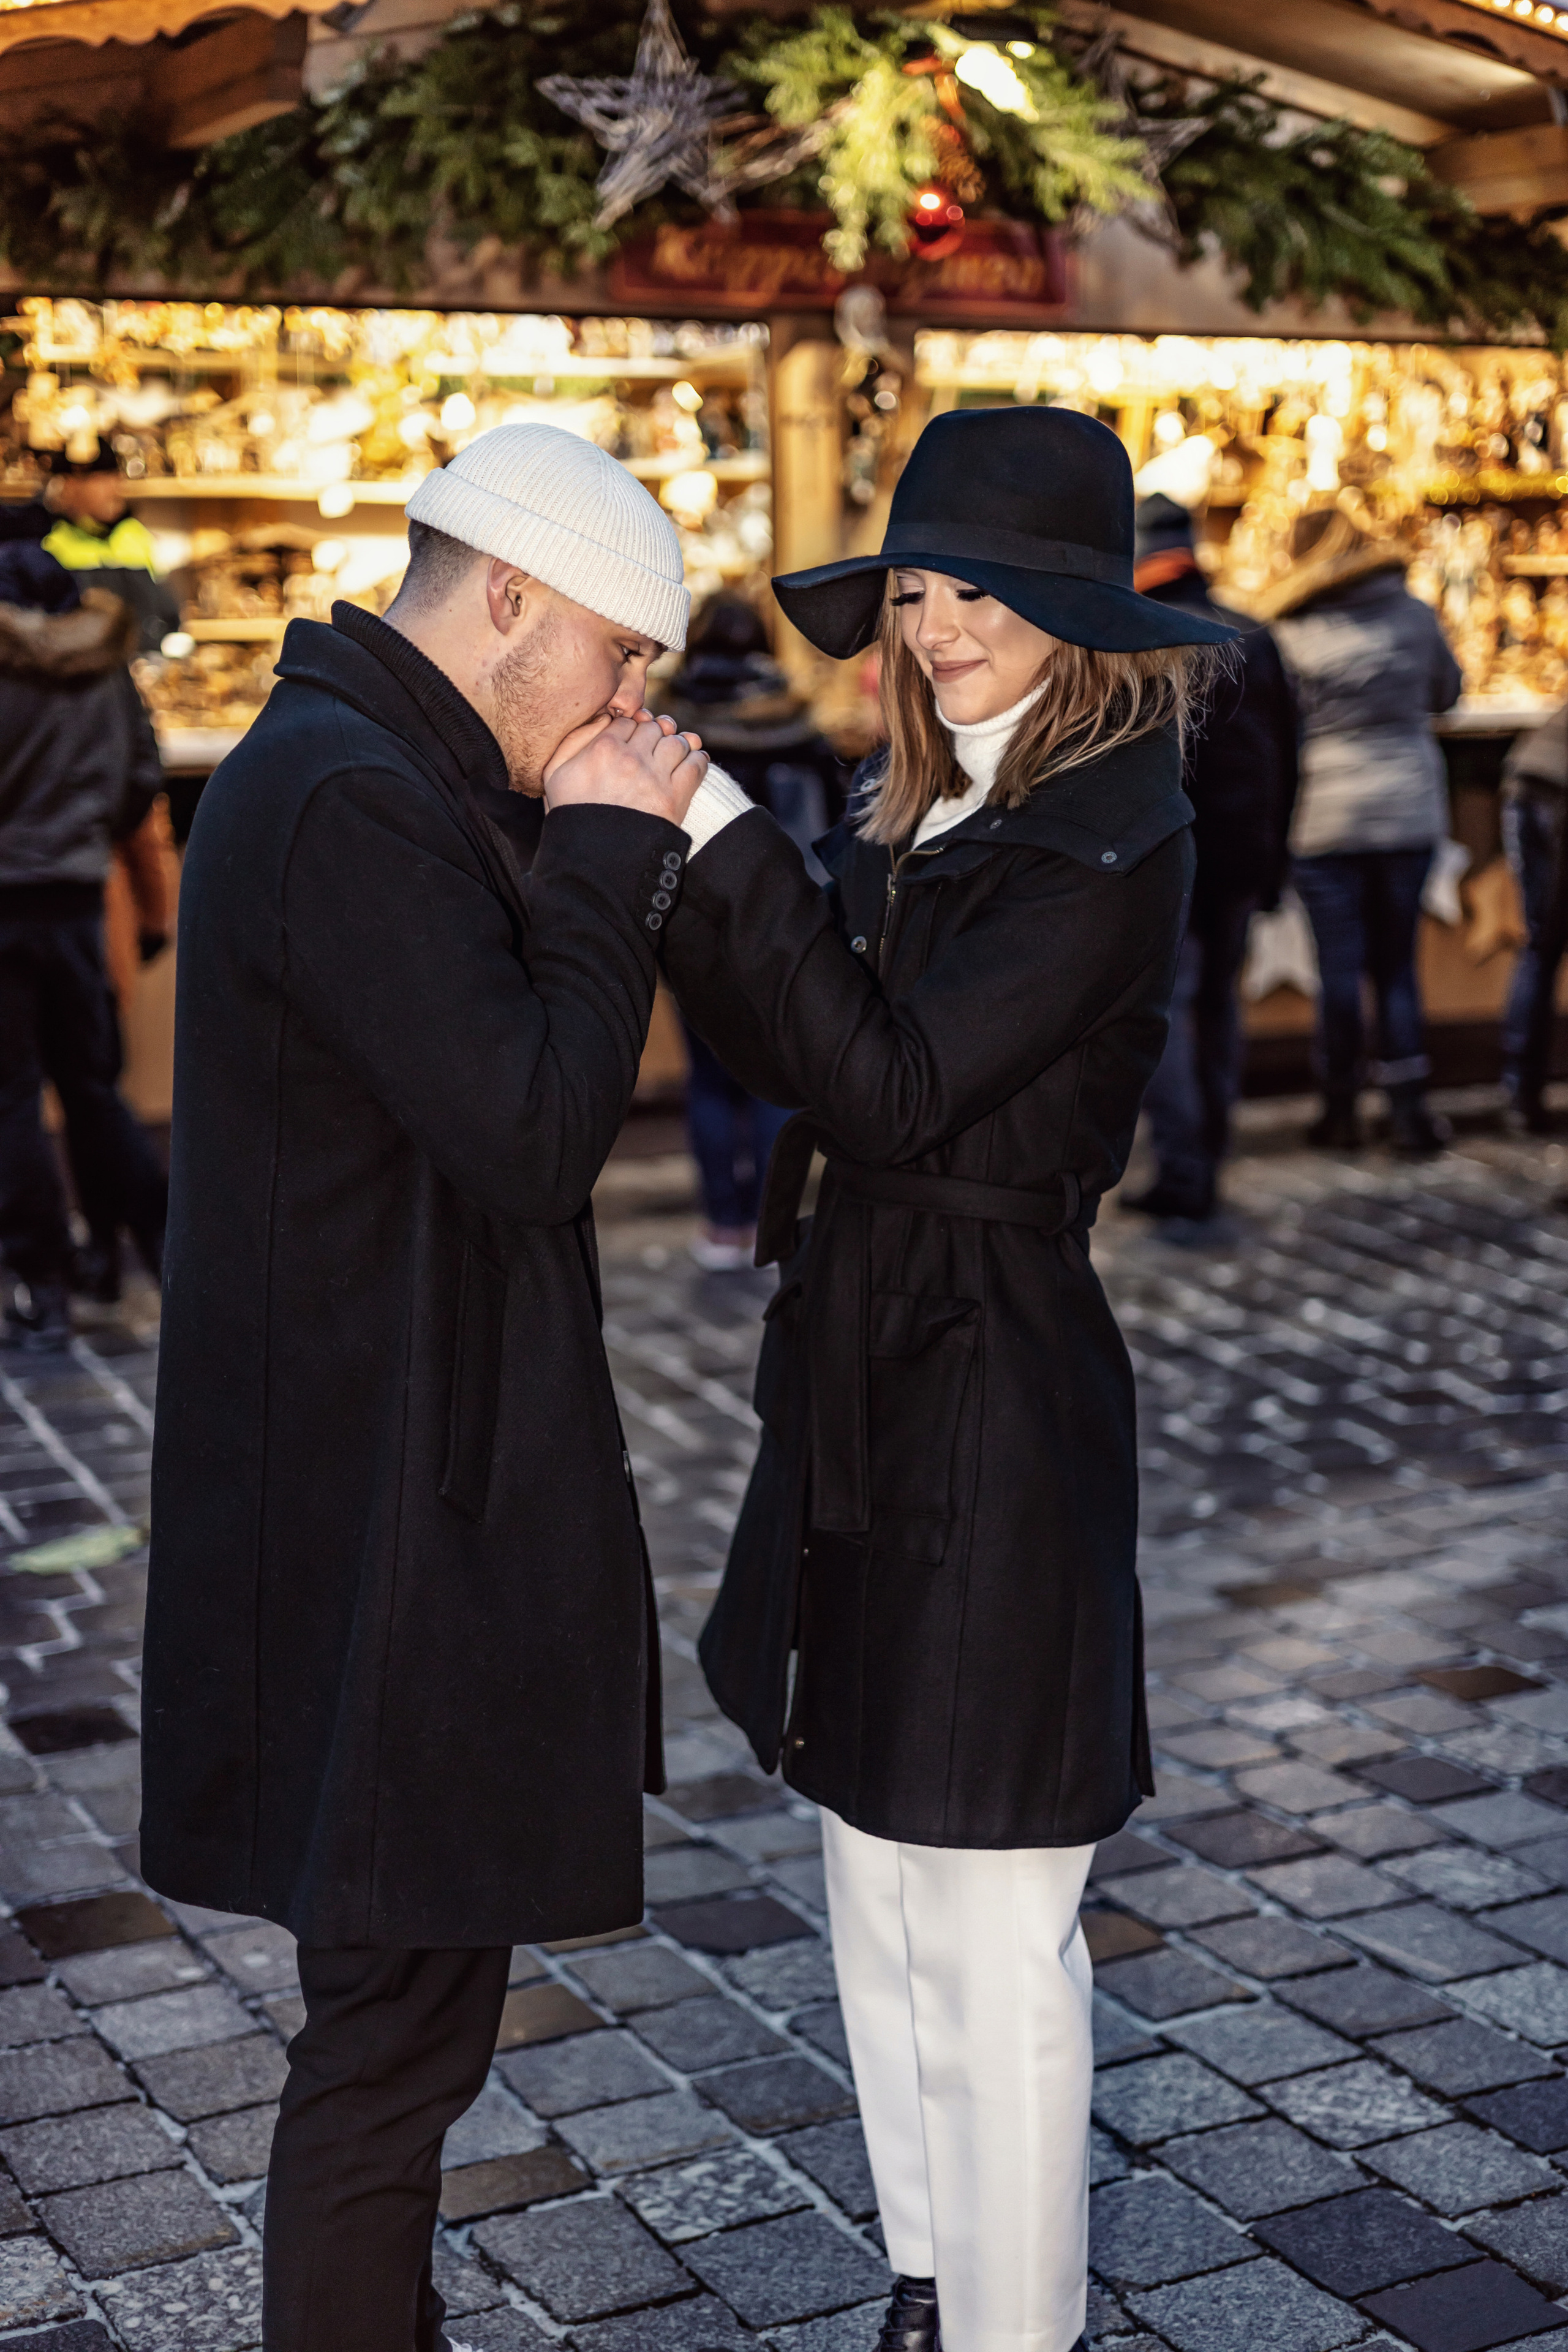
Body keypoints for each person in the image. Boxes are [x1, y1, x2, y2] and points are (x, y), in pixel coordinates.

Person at [662, 405, 1235, 2352]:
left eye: (981, 589)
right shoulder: (920, 811)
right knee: (875, 1873)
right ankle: (929, 2278)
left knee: (993, 1913)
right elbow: (801, 1048)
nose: (938, 624)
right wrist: (729, 887)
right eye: (914, 587)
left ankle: (1017, 2325)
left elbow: (890, 1082)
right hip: (864, 1365)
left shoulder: (1114, 828)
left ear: (1079, 612)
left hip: (993, 1383)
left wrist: (721, 845)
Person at [138, 424, 709, 2352]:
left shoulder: (356, 766)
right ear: (515, 598)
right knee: (388, 2049)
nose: (636, 701)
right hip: (374, 1524)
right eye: (625, 658)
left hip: (377, 1489)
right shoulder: (349, 793)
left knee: (399, 2031)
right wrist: (613, 846)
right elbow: (536, 1130)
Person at [0, 540, 168, 1351]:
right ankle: (147, 1248)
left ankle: (44, 1283)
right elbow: (142, 776)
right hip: (76, 899)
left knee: (11, 1101)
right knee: (95, 1089)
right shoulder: (107, 661)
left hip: (5, 904)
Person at [1255, 500, 1461, 1156]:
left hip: (1324, 816)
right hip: (1407, 808)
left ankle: (1338, 1110)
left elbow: (1277, 723)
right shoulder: (1412, 613)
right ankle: (1408, 1114)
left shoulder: (1287, 629)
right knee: (1397, 966)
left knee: (1337, 972)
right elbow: (1448, 694)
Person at [1122, 493, 1299, 1222]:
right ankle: (1208, 1152)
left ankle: (1185, 1169)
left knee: (1164, 1011)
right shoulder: (1254, 634)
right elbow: (1289, 758)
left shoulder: (1137, 635)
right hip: (1241, 853)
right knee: (1218, 1004)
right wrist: (1275, 860)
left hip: (1168, 855)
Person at [657, 593, 845, 1266]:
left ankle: (722, 1225)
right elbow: (833, 822)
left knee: (708, 1079)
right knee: (772, 1077)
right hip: (782, 924)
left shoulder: (669, 721)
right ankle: (773, 1223)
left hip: (690, 924)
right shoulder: (794, 715)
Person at [1498, 700, 1568, 1132]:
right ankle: (1523, 1095)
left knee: (1541, 947)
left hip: (1529, 779)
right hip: (1556, 790)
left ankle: (1521, 1095)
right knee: (1543, 946)